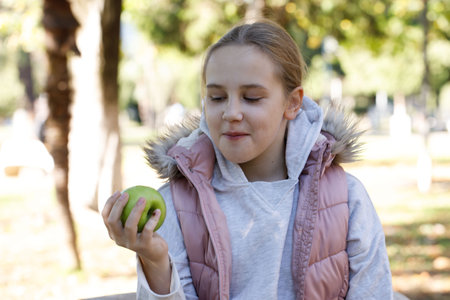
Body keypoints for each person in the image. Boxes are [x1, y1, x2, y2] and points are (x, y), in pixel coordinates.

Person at [102, 19, 393, 299]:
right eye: (216, 98)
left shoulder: (346, 199)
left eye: (251, 98)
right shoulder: (177, 205)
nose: (231, 113)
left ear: (292, 103)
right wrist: (154, 261)